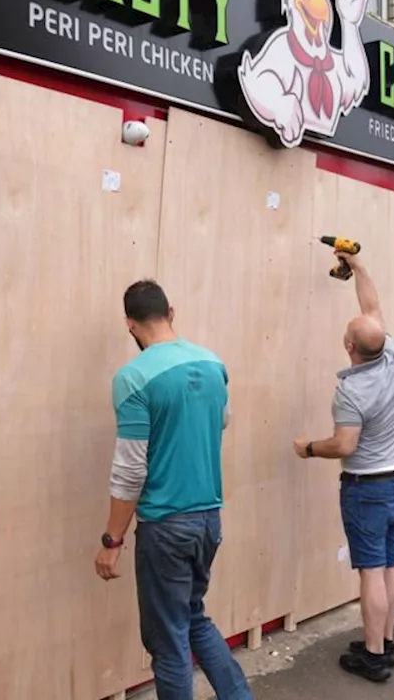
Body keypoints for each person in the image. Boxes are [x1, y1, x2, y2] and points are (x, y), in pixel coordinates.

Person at [94, 279, 253, 700]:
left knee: (168, 643)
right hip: (207, 522)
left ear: (129, 324)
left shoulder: (134, 378)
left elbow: (130, 472)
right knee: (192, 616)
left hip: (166, 527)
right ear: (172, 312)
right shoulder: (213, 364)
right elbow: (222, 421)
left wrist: (112, 540)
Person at [292, 250, 394, 683]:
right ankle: (388, 640)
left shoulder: (352, 392)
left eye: (346, 333)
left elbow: (344, 444)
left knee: (372, 571)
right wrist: (358, 266)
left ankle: (374, 655)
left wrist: (308, 448)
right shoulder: (391, 355)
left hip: (368, 489)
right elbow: (372, 309)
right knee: (390, 563)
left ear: (348, 347)